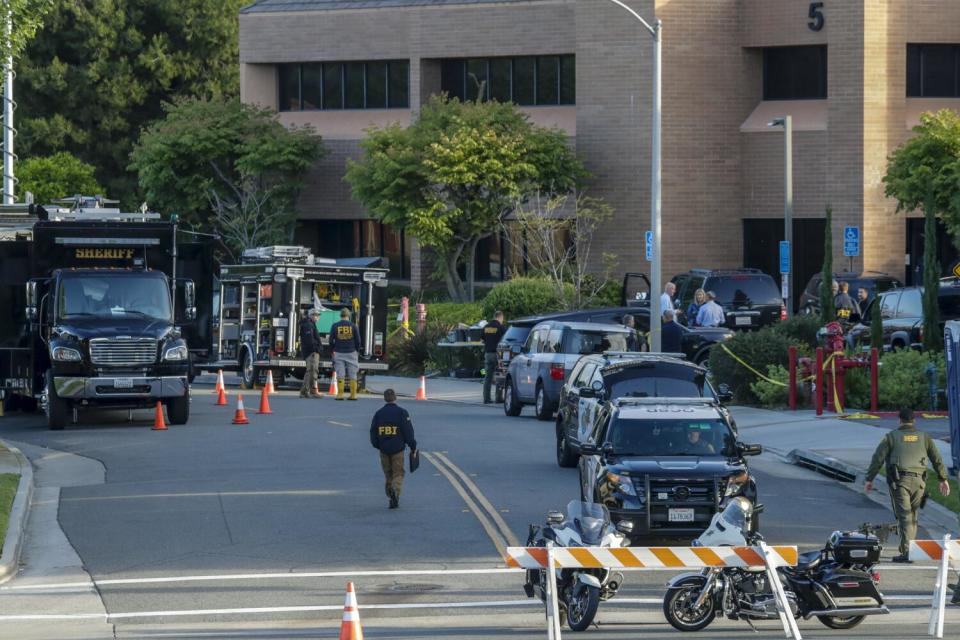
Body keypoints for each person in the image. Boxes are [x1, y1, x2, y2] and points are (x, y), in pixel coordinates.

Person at [864, 408, 951, 562]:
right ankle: (908, 549)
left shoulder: (891, 437)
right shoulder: (925, 437)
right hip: (920, 483)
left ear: (900, 420)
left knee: (905, 517)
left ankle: (907, 552)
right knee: (913, 516)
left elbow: (878, 458)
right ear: (914, 421)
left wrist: (869, 479)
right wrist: (942, 479)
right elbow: (936, 458)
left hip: (900, 482)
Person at [370, 389, 417, 509]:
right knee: (398, 472)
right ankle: (395, 491)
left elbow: (373, 431)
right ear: (395, 397)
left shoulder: (378, 413)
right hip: (398, 449)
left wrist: (377, 445)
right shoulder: (402, 412)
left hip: (384, 449)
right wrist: (412, 446)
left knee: (388, 474)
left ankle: (390, 494)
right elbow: (408, 431)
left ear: (384, 398)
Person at [330, 308, 362, 401]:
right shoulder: (353, 326)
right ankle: (353, 395)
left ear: (340, 315)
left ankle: (340, 394)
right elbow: (358, 341)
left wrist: (332, 350)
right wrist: (356, 350)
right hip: (351, 352)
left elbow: (331, 340)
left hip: (339, 352)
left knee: (340, 373)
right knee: (353, 374)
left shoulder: (335, 326)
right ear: (349, 316)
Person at [482, 311, 506, 404]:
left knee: (487, 377)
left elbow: (482, 339)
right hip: (498, 354)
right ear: (500, 317)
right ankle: (498, 397)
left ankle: (486, 398)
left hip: (488, 354)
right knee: (499, 375)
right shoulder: (501, 327)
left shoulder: (486, 327)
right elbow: (505, 340)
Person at [299, 308, 322, 399]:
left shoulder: (310, 324)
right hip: (311, 352)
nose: (317, 317)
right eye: (316, 315)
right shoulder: (309, 325)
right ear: (311, 315)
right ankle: (310, 391)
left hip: (310, 351)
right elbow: (309, 340)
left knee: (311, 371)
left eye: (318, 315)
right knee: (312, 371)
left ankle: (305, 391)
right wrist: (316, 349)